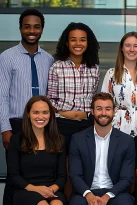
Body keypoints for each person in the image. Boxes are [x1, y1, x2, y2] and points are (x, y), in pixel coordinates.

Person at [0, 8, 54, 205]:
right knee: (14, 182)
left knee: (40, 177)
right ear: (20, 28)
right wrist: (5, 128)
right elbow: (1, 97)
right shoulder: (7, 57)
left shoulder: (49, 60)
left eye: (37, 26)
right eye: (27, 26)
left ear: (42, 28)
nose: (32, 31)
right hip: (18, 125)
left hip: (42, 124)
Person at [68, 92, 135, 205]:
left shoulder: (126, 141)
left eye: (107, 108)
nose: (103, 112)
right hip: (87, 190)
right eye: (99, 108)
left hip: (113, 192)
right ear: (92, 111)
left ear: (114, 112)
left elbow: (126, 178)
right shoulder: (78, 139)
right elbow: (75, 175)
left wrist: (106, 196)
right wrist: (89, 195)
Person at [7, 96, 67, 205]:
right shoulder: (17, 140)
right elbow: (13, 176)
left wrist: (52, 190)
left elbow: (62, 177)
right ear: (28, 114)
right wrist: (36, 188)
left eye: (45, 112)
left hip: (52, 190)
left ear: (51, 115)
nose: (40, 116)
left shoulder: (59, 139)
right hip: (26, 191)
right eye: (36, 112)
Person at [47, 22, 100, 152]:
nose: (78, 44)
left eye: (82, 40)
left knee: (85, 162)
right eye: (73, 40)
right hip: (62, 124)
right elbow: (51, 99)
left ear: (88, 43)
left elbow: (92, 97)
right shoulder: (57, 67)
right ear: (66, 43)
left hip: (86, 125)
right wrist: (60, 113)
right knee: (64, 164)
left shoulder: (94, 68)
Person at [101, 31, 137, 137]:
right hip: (117, 128)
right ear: (122, 48)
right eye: (128, 45)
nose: (132, 49)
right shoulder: (111, 74)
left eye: (135, 46)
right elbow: (105, 104)